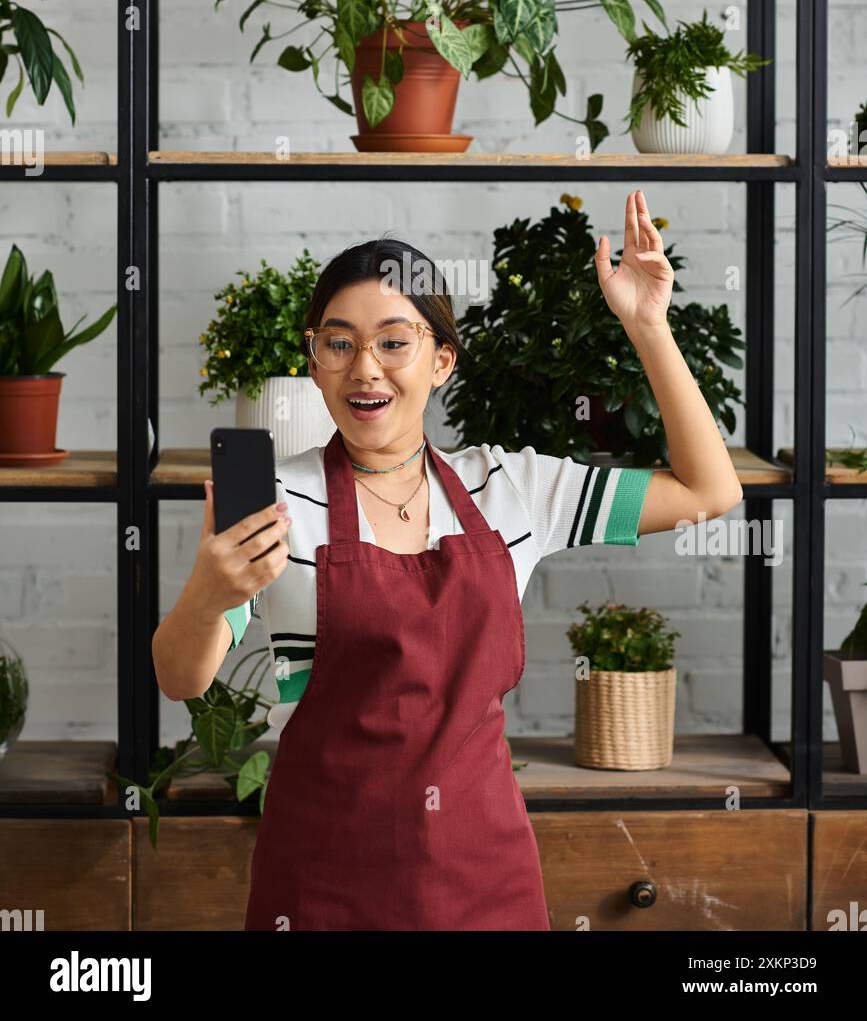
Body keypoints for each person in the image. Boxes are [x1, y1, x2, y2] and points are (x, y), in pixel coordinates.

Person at [153, 190, 743, 931]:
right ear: (314, 359)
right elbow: (181, 677)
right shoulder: (274, 499)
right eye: (337, 344)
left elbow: (706, 490)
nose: (363, 368)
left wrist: (647, 326)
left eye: (393, 342)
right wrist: (208, 596)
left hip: (481, 877)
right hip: (321, 878)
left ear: (441, 361)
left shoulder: (514, 489)